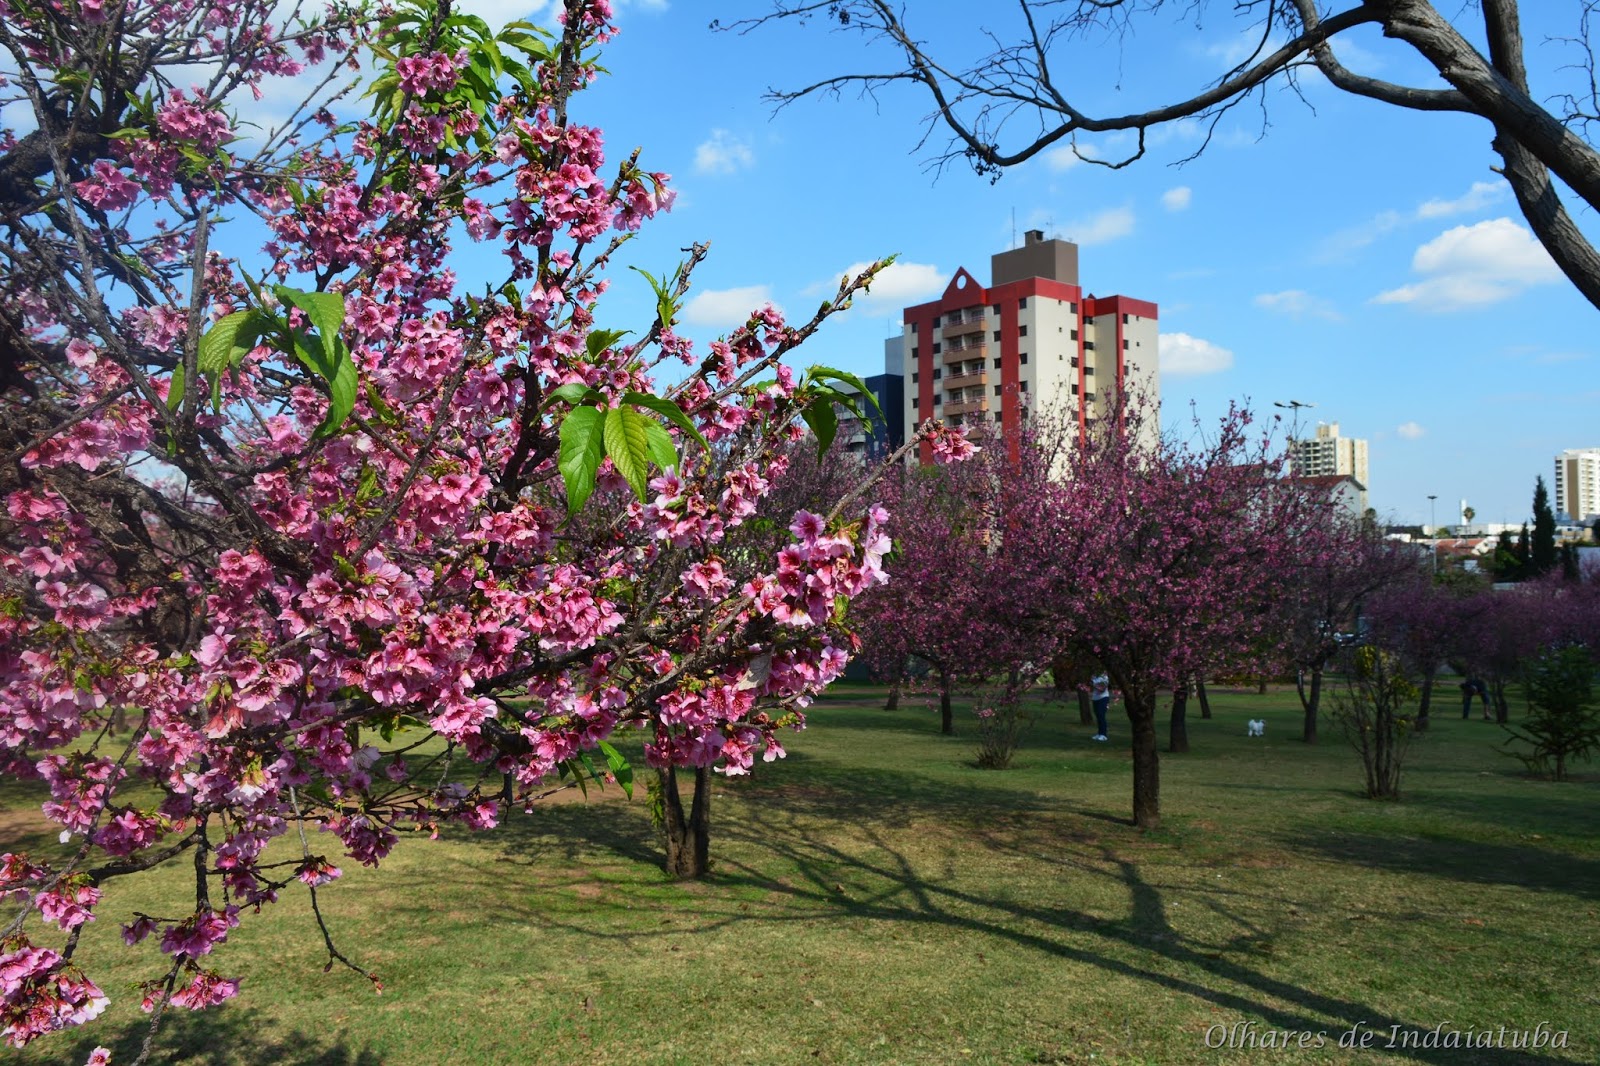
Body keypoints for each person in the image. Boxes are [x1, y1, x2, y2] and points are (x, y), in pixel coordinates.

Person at [1090, 673, 1111, 741]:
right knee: (1098, 716)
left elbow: (1102, 689)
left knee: (1101, 716)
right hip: (1095, 698)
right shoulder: (1094, 676)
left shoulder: (1104, 677)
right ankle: (1099, 733)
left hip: (1103, 698)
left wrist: (1094, 685)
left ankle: (1103, 735)